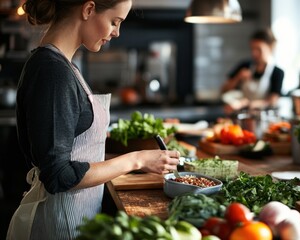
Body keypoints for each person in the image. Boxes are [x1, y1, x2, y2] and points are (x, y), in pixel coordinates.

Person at [7, 1, 180, 239]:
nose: (117, 32)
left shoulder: (65, 65)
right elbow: (59, 175)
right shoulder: (52, 71)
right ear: (88, 9)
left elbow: (74, 141)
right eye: (114, 22)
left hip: (74, 219)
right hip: (58, 226)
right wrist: (136, 159)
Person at [221, 28, 284, 114]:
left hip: (264, 118)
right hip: (241, 116)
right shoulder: (244, 66)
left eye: (258, 49)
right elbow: (224, 90)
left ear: (270, 47)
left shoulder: (277, 72)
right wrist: (238, 78)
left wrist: (246, 103)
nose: (254, 53)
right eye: (252, 49)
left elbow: (272, 101)